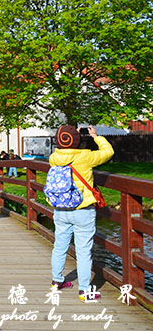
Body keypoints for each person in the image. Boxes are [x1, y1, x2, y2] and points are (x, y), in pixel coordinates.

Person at [49, 125, 113, 302]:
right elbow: (108, 152)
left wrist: (72, 135)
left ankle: (57, 281)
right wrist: (94, 136)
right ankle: (84, 291)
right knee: (84, 251)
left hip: (61, 209)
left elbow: (65, 147)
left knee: (60, 245)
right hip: (82, 209)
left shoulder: (54, 158)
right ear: (76, 141)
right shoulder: (85, 156)